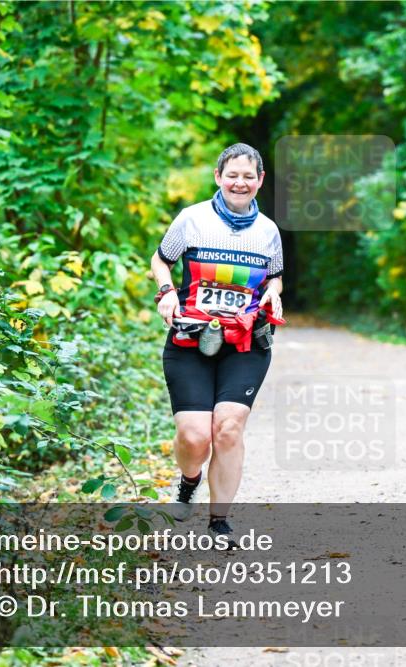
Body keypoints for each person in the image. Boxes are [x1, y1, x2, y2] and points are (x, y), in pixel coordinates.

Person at [150, 143, 284, 546]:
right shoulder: (192, 219)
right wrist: (166, 292)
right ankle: (189, 479)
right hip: (190, 338)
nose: (240, 183)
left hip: (245, 342)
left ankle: (219, 521)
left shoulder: (268, 231)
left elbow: (275, 276)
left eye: (248, 176)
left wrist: (273, 292)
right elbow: (161, 260)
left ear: (260, 180)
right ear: (218, 177)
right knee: (195, 437)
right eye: (232, 175)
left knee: (228, 428)